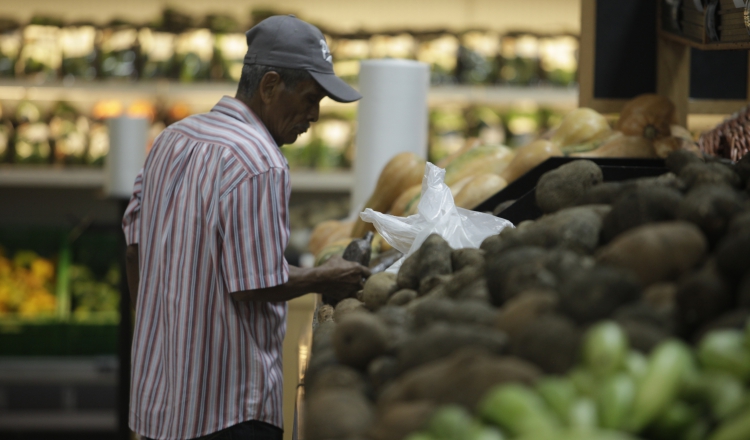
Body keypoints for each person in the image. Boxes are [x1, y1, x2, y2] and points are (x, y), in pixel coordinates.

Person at [122, 15, 370, 440]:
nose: (313, 115)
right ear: (270, 85)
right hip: (228, 411)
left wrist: (160, 332)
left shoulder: (171, 139)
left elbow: (133, 249)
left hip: (158, 402)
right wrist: (327, 277)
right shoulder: (261, 163)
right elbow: (255, 282)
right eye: (310, 99)